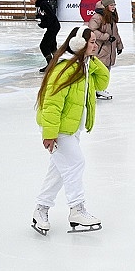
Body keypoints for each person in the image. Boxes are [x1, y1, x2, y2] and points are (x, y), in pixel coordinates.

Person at [31, 26, 109, 235]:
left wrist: (91, 61)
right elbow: (51, 103)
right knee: (75, 163)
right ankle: (77, 209)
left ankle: (41, 209)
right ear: (78, 44)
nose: (95, 45)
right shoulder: (65, 68)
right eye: (91, 42)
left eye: (94, 41)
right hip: (59, 127)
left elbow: (103, 82)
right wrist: (49, 133)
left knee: (58, 170)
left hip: (72, 126)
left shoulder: (84, 65)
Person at [87, 0, 122, 100]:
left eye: (114, 5)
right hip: (101, 48)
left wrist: (119, 45)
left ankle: (99, 89)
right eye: (111, 5)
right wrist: (106, 37)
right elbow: (92, 30)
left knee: (107, 69)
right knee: (100, 70)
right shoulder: (97, 17)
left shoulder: (110, 16)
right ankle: (96, 89)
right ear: (106, 6)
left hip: (109, 49)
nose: (114, 7)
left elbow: (115, 33)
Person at [27, 0, 61, 72]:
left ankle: (50, 64)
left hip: (53, 27)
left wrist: (43, 23)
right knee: (52, 45)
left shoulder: (43, 4)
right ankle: (56, 63)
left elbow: (51, 16)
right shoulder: (41, 1)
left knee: (44, 46)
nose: (30, 1)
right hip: (53, 26)